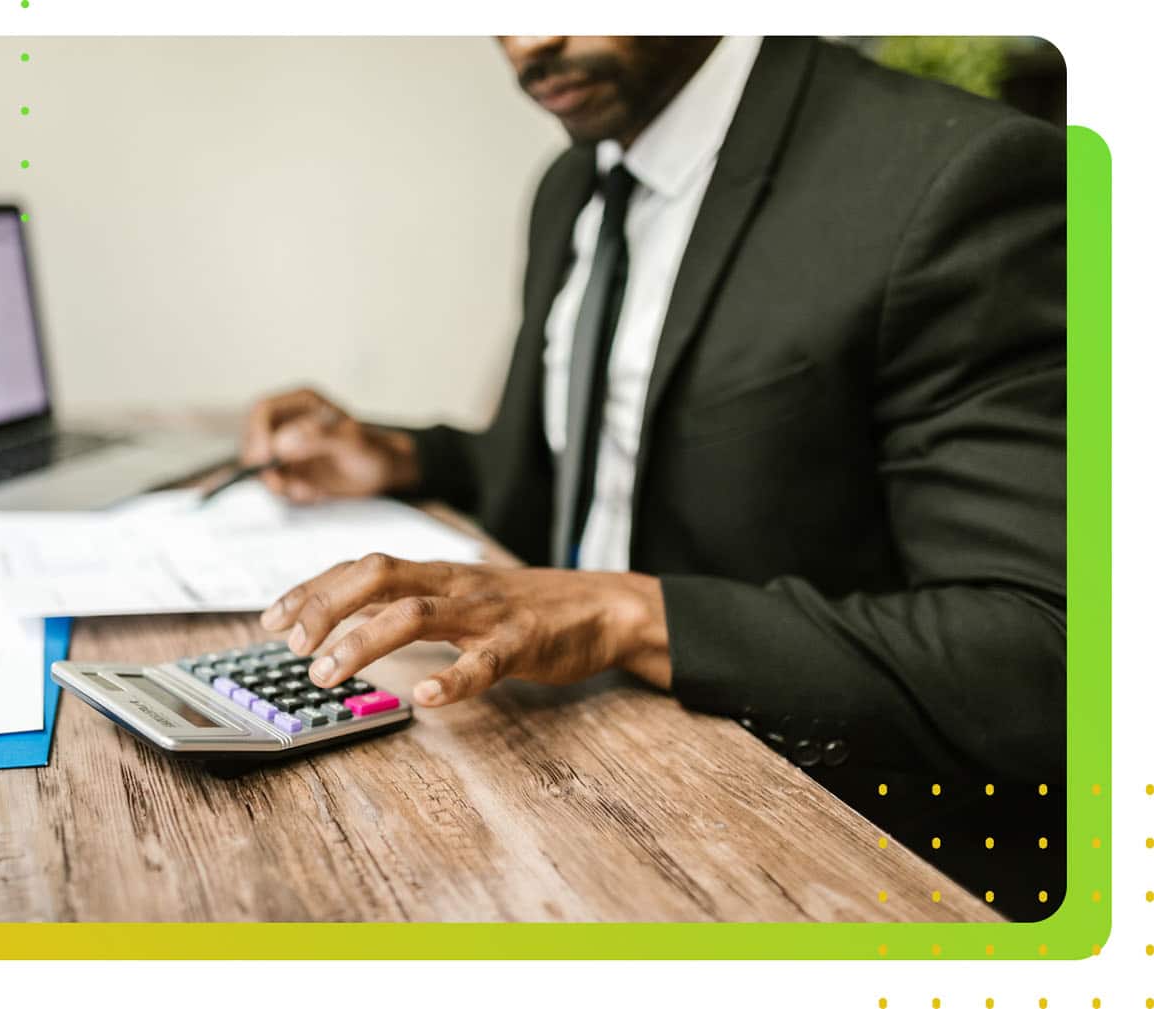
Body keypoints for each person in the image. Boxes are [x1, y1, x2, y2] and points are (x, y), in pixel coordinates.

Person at [241, 36, 1066, 918]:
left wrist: (628, 613)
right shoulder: (574, 183)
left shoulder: (957, 176)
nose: (530, 42)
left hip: (824, 851)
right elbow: (593, 473)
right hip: (556, 774)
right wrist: (408, 458)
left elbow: (1043, 650)